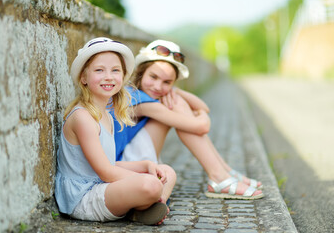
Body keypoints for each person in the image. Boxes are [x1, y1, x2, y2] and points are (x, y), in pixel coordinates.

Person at [112, 39, 264, 200]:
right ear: (142, 72)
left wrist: (177, 92)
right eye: (153, 77)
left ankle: (224, 172)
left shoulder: (145, 94)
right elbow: (202, 125)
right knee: (176, 105)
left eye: (167, 82)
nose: (158, 86)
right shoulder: (137, 99)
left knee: (176, 102)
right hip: (123, 165)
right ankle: (220, 176)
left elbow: (203, 107)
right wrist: (196, 111)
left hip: (129, 159)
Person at [54, 37, 176, 226]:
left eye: (115, 70)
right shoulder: (83, 117)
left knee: (167, 171)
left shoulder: (108, 115)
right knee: (151, 184)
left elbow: (110, 164)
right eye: (99, 70)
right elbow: (105, 172)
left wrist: (145, 165)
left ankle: (143, 206)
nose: (108, 76)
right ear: (84, 78)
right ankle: (149, 202)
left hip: (103, 186)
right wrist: (146, 178)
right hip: (84, 196)